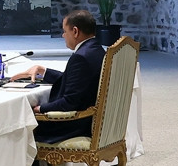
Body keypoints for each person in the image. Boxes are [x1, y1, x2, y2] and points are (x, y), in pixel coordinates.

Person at [10, 11, 106, 145]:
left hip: (73, 126)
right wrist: (44, 71)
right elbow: (75, 81)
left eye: (65, 31)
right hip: (89, 121)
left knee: (16, 127)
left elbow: (69, 102)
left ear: (75, 31)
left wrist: (40, 109)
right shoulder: (96, 50)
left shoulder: (80, 57)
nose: (63, 35)